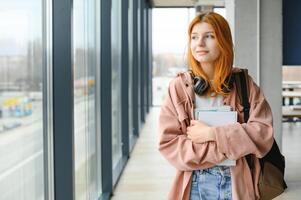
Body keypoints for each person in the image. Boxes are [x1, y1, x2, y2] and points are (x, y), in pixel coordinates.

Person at [158, 12, 274, 200]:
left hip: (238, 181)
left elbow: (263, 133)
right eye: (194, 37)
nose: (200, 43)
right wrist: (227, 148)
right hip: (194, 182)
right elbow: (169, 144)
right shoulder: (178, 87)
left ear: (223, 41)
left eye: (209, 36)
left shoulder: (245, 84)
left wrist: (212, 134)